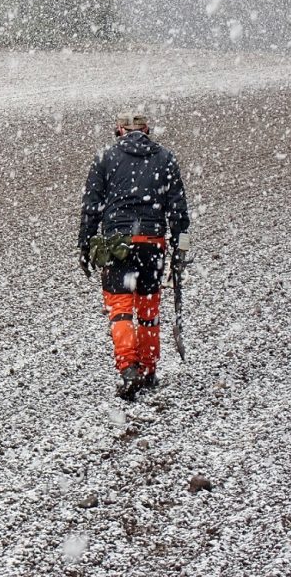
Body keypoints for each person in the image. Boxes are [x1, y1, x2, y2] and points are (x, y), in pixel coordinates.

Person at [78, 111, 190, 401]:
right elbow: (178, 209)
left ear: (119, 130)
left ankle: (128, 367)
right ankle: (149, 368)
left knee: (121, 308)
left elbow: (91, 207)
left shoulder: (105, 158)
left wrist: (85, 245)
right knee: (148, 311)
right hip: (153, 243)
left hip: (117, 243)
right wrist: (181, 246)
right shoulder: (165, 157)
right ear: (146, 129)